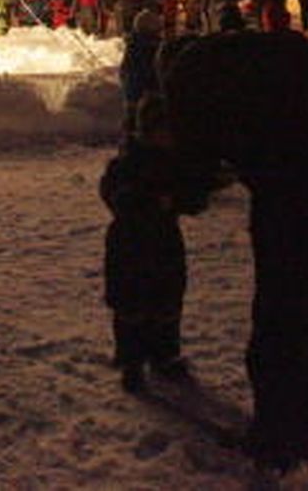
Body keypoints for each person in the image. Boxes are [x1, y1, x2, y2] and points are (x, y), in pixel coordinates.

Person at [162, 31, 308, 474]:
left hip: (297, 186)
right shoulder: (255, 51)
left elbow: (191, 172)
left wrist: (176, 192)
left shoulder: (188, 80)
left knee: (281, 315)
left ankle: (276, 437)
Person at [100, 93, 207, 393]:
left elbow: (194, 198)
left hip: (164, 242)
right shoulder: (127, 162)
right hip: (130, 244)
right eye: (164, 130)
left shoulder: (174, 163)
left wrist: (185, 197)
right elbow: (114, 196)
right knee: (132, 303)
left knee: (166, 300)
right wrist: (146, 200)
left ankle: (164, 355)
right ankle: (132, 361)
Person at [119, 9, 163, 132]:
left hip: (133, 98)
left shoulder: (133, 47)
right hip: (144, 99)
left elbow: (124, 72)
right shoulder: (148, 49)